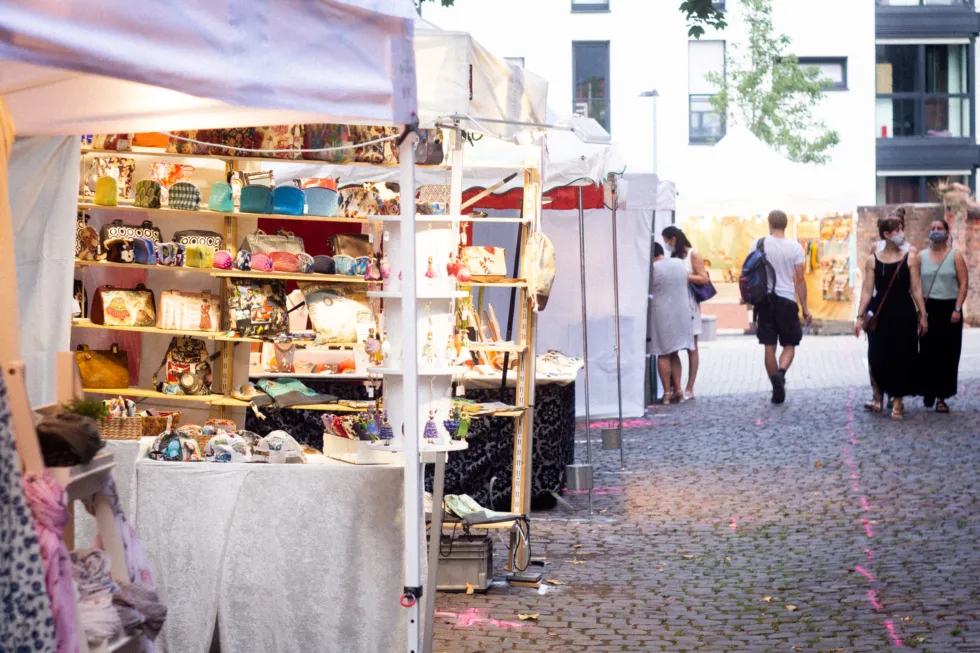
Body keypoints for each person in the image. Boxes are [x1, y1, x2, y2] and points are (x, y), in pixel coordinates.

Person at [854, 216, 928, 420]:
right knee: (877, 357)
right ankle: (879, 395)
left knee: (903, 357)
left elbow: (916, 288)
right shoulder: (873, 260)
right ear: (886, 234)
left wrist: (923, 314)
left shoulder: (910, 257)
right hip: (881, 314)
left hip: (903, 313)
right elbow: (867, 291)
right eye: (896, 230)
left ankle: (897, 402)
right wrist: (859, 317)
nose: (900, 234)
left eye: (901, 229)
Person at [749, 210, 812, 404]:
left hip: (765, 301)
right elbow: (800, 280)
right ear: (785, 225)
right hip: (787, 300)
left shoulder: (758, 244)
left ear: (769, 224)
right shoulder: (794, 247)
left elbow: (751, 272)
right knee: (789, 344)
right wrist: (805, 308)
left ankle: (776, 387)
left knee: (769, 347)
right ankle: (781, 374)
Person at [918, 218, 968, 413]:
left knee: (948, 354)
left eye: (939, 228)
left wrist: (957, 308)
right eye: (932, 228)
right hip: (928, 308)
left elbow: (964, 283)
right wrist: (920, 312)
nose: (935, 231)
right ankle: (929, 390)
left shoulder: (955, 255)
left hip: (949, 309)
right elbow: (916, 286)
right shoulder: (921, 256)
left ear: (947, 233)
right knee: (928, 352)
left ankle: (941, 397)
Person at [661, 225, 709, 401]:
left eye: (667, 241)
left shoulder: (692, 254)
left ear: (674, 239)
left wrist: (684, 276)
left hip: (690, 305)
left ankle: (690, 387)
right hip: (675, 305)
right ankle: (678, 387)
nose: (666, 245)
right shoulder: (672, 257)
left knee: (692, 347)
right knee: (674, 347)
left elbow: (704, 278)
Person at [649, 243, 695, 404]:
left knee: (663, 353)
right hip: (682, 312)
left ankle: (667, 393)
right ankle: (679, 391)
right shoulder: (678, 263)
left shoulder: (652, 268)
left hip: (661, 313)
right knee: (674, 352)